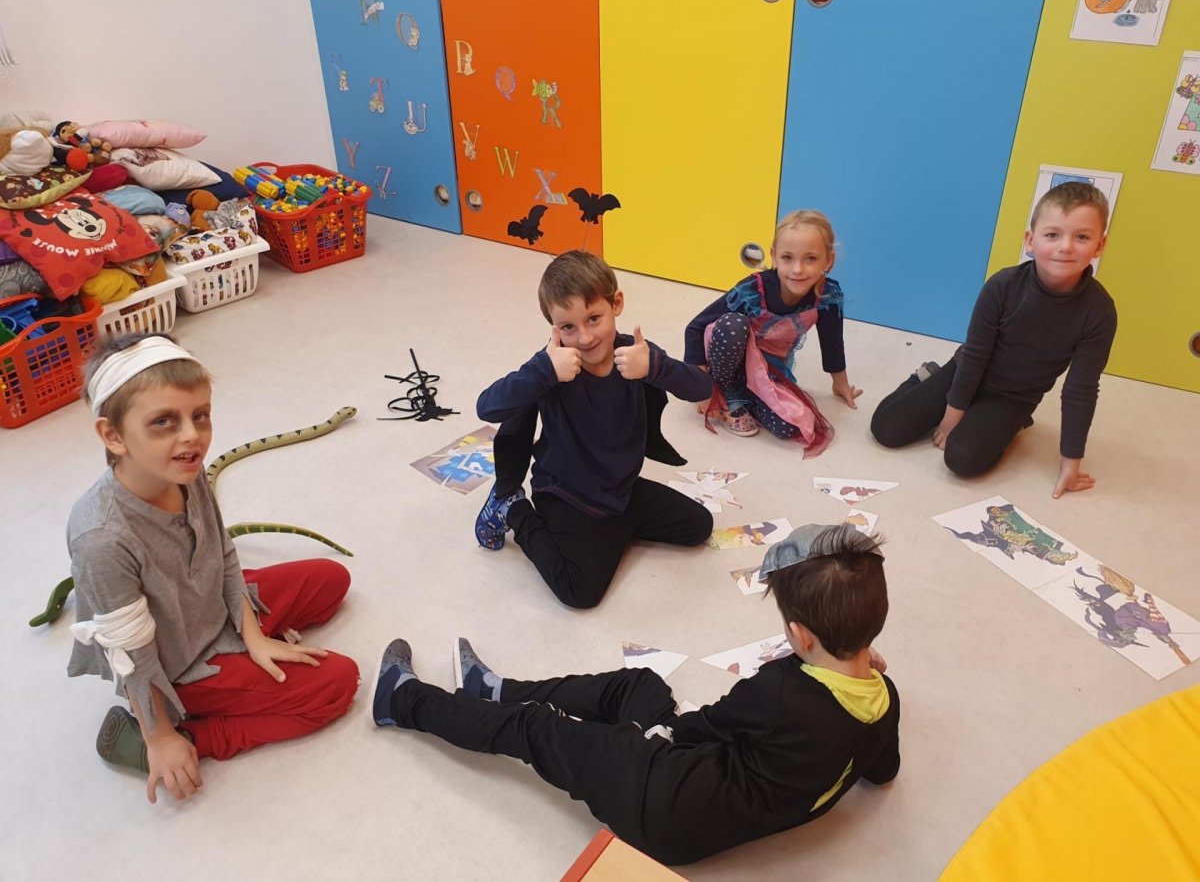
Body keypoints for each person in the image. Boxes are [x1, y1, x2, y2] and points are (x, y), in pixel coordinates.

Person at [372, 524, 900, 865]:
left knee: (535, 728)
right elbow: (883, 771)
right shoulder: (884, 700)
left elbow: (698, 727)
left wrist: (646, 735)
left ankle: (400, 700)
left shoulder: (780, 690)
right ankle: (493, 690)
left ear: (800, 636)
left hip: (663, 803)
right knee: (640, 684)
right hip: (702, 798)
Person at [67, 333, 358, 804]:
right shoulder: (101, 538)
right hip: (176, 665)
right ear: (113, 435)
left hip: (207, 605)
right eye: (164, 421)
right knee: (337, 684)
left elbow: (223, 553)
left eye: (200, 416)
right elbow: (131, 655)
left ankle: (249, 646)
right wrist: (161, 737)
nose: (192, 436)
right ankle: (190, 738)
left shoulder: (183, 468)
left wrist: (253, 636)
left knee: (332, 580)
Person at [473, 250, 714, 609]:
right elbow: (487, 407)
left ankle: (615, 531)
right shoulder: (551, 365)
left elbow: (702, 389)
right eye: (568, 327)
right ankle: (512, 509)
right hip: (566, 494)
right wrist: (543, 371)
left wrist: (656, 367)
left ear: (616, 304)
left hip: (621, 490)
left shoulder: (635, 355)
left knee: (698, 526)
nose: (585, 338)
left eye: (594, 318)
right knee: (580, 594)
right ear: (554, 328)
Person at [870, 182, 1117, 497]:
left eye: (1081, 237)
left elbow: (1080, 390)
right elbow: (975, 355)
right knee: (886, 429)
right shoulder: (1002, 286)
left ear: (1099, 245)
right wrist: (952, 415)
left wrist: (1071, 463)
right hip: (964, 371)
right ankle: (925, 377)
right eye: (1052, 235)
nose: (1065, 247)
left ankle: (1014, 422)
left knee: (962, 459)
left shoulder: (1100, 312)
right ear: (1030, 241)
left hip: (1014, 398)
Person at [682, 209, 860, 454]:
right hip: (728, 359)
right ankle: (727, 392)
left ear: (828, 261)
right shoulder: (753, 289)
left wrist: (840, 384)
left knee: (790, 426)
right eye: (787, 258)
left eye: (810, 258)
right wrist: (702, 388)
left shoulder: (827, 295)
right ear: (775, 256)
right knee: (732, 325)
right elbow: (695, 327)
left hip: (768, 370)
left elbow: (832, 343)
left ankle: (749, 395)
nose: (797, 269)